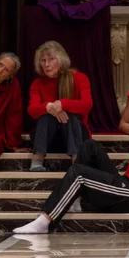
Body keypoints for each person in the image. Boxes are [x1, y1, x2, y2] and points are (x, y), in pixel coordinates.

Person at [26, 41, 92, 171]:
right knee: (45, 116)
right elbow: (32, 110)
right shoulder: (37, 83)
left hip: (75, 136)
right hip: (47, 140)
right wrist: (50, 107)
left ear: (61, 60)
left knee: (70, 116)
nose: (46, 64)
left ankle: (77, 162)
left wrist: (62, 104)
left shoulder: (79, 78)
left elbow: (87, 105)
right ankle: (37, 161)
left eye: (51, 59)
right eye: (43, 60)